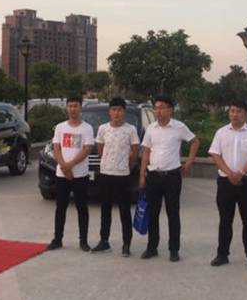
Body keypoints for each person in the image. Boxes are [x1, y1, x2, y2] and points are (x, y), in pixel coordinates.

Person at [138, 95, 199, 262]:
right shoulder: (151, 128)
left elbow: (194, 142)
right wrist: (142, 174)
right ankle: (152, 247)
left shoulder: (179, 127)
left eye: (162, 107)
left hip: (172, 176)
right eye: (156, 108)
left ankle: (174, 249)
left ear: (170, 110)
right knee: (153, 213)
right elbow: (146, 151)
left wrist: (189, 162)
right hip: (153, 176)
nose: (158, 111)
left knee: (173, 213)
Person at [208, 100, 247, 270]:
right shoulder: (221, 132)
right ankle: (222, 254)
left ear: (245, 113)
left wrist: (240, 172)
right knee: (225, 219)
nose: (234, 114)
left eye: (238, 111)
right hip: (225, 182)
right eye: (232, 111)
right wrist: (229, 173)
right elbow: (216, 155)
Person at [92, 97, 140, 257]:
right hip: (105, 174)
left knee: (124, 210)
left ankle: (126, 244)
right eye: (113, 109)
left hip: (122, 175)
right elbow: (100, 149)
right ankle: (104, 241)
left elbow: (135, 152)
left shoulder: (130, 130)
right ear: (109, 112)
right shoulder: (103, 129)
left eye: (119, 110)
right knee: (105, 209)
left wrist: (128, 166)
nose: (116, 113)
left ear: (124, 112)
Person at [47, 96, 95, 251]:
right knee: (60, 207)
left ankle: (83, 241)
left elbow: (87, 149)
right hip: (62, 175)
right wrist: (63, 166)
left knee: (82, 208)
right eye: (70, 106)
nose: (73, 109)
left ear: (80, 108)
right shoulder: (60, 127)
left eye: (76, 106)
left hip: (80, 175)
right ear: (66, 108)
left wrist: (70, 165)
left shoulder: (87, 128)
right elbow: (56, 148)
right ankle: (57, 239)